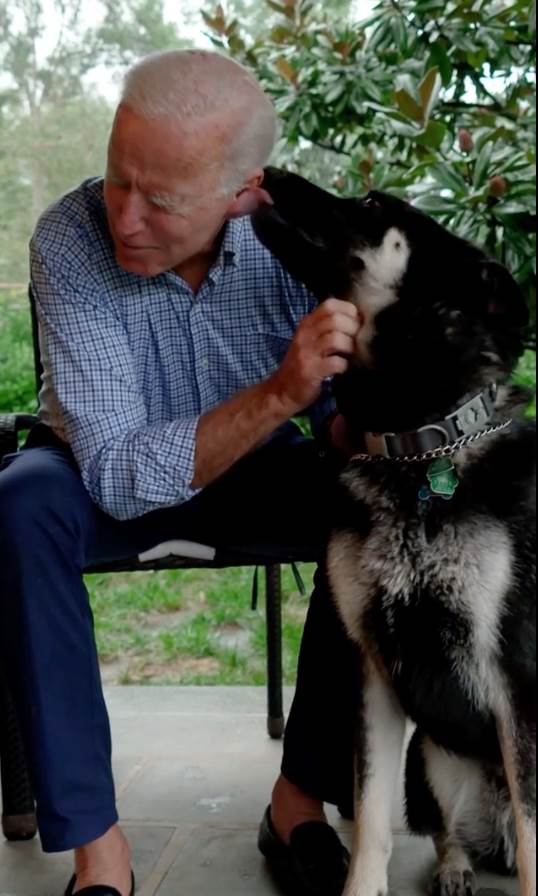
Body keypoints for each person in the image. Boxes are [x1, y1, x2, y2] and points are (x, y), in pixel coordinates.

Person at [0, 49, 362, 896]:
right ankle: (99, 851)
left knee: (373, 505)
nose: (125, 217)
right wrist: (280, 393)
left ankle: (299, 800)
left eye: (160, 200)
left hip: (257, 471)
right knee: (16, 501)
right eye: (117, 178)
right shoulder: (70, 236)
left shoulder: (296, 239)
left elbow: (340, 420)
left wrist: (369, 417)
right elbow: (118, 471)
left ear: (244, 192)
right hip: (94, 476)